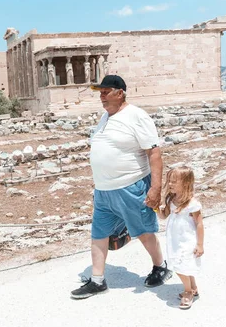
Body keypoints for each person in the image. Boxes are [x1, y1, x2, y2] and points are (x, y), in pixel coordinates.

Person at [70, 75, 171, 299]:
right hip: (104, 190)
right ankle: (97, 280)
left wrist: (156, 189)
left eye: (106, 91)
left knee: (144, 231)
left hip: (131, 186)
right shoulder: (105, 117)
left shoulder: (136, 116)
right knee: (98, 233)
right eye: (100, 92)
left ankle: (160, 266)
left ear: (120, 93)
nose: (101, 96)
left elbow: (154, 153)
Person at [156, 167, 204, 310]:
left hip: (187, 239)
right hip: (174, 239)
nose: (170, 184)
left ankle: (188, 292)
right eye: (169, 181)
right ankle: (193, 287)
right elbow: (163, 216)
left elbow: (200, 224)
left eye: (174, 182)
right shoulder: (171, 199)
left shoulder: (192, 204)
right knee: (184, 264)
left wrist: (200, 244)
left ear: (186, 183)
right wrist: (156, 208)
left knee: (179, 265)